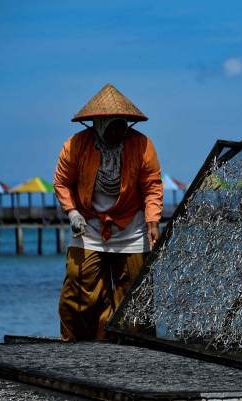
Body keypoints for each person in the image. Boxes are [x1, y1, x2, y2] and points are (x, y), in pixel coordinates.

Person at [54, 83, 163, 341]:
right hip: (88, 225)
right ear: (98, 123)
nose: (117, 130)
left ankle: (132, 344)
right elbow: (61, 182)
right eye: (111, 124)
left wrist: (152, 221)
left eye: (120, 124)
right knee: (80, 291)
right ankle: (82, 343)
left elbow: (152, 186)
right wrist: (72, 213)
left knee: (134, 292)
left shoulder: (142, 145)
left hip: (132, 227)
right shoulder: (75, 145)